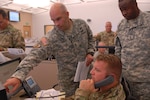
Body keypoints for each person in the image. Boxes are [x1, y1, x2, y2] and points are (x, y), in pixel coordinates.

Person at [4, 3, 95, 97]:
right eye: (53, 20)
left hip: (87, 74)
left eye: (59, 19)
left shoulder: (81, 25)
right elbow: (34, 55)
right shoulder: (52, 37)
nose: (56, 24)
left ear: (67, 14)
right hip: (68, 81)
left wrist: (90, 52)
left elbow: (91, 38)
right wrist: (18, 76)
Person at [115, 0, 150, 99]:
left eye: (126, 9)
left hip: (145, 79)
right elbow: (118, 48)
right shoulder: (121, 25)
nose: (124, 13)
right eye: (121, 10)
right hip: (127, 79)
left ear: (135, 5)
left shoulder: (148, 20)